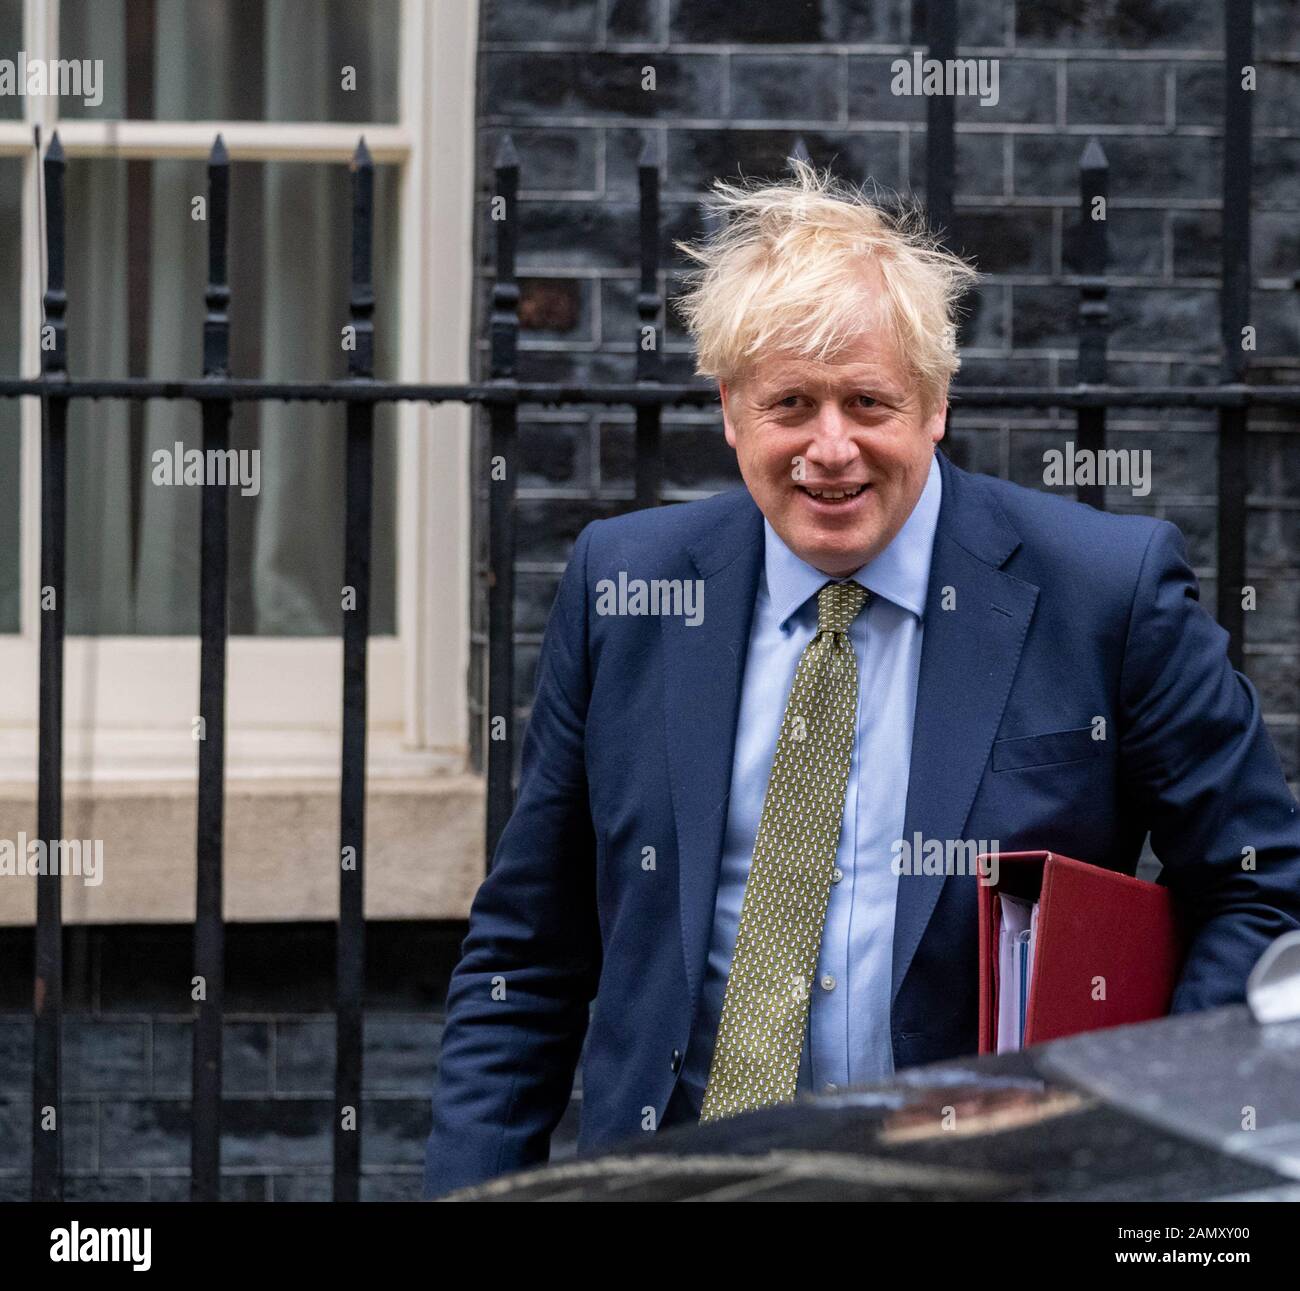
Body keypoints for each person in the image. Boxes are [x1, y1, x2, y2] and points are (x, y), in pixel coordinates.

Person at [423, 160, 1300, 1196]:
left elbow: (1258, 889)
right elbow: (526, 951)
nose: (830, 448)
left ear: (935, 403)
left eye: (868, 402)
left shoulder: (1106, 592)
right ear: (730, 410)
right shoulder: (626, 588)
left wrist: (1128, 1129)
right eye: (790, 403)